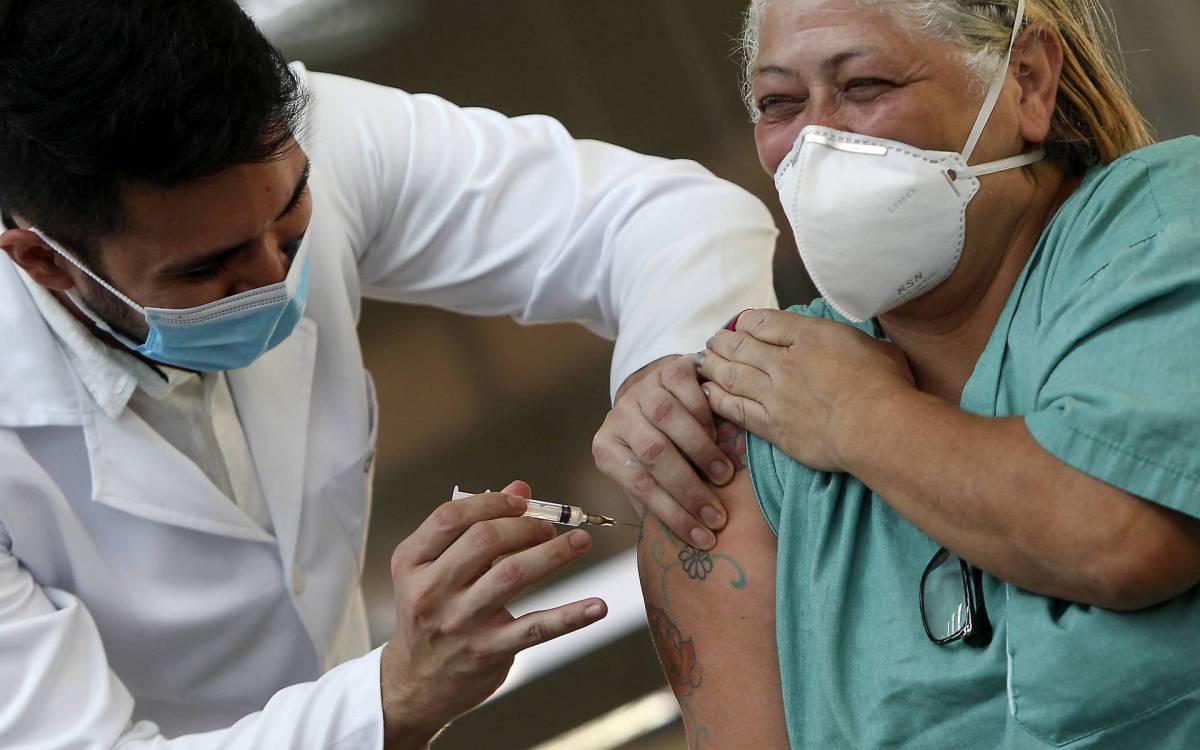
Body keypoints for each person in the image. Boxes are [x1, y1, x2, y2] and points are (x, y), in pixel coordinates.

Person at [0, 1, 778, 747]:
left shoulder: (312, 133)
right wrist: (397, 693)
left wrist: (663, 372)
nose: (276, 276)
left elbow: (670, 218)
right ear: (43, 261)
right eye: (211, 269)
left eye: (292, 217)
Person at [623, 0, 1200, 747]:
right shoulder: (739, 439)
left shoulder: (1164, 228)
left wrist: (855, 416)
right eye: (780, 103)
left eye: (864, 86)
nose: (816, 141)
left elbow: (1122, 534)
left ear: (1026, 80)